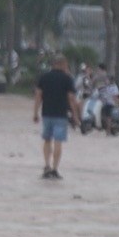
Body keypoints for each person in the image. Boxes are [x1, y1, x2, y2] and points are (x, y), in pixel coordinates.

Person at [33, 54, 76, 183]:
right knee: (58, 142)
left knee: (47, 140)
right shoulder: (67, 79)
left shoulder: (44, 77)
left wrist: (35, 112)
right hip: (61, 114)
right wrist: (75, 114)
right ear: (62, 64)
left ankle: (47, 165)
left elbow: (38, 96)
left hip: (46, 113)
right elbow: (71, 98)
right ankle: (55, 169)